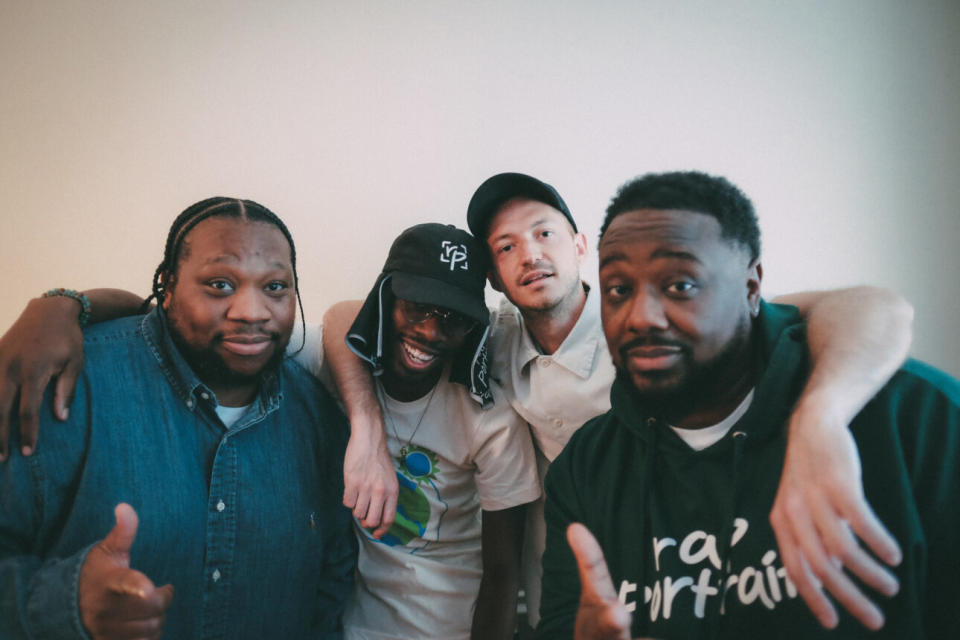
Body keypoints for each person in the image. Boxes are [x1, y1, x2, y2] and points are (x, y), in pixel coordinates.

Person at [537, 171, 960, 639]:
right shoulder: (584, 468)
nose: (640, 316)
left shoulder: (917, 421)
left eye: (680, 285)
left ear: (752, 287)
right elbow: (561, 624)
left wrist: (818, 420)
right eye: (619, 289)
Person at [0, 197, 356, 638]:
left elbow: (329, 591)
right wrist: (63, 603)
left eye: (275, 287)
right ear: (167, 286)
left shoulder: (318, 418)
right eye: (220, 284)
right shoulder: (67, 382)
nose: (252, 311)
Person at [332, 222, 541, 639]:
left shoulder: (490, 420)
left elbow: (503, 572)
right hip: (351, 625)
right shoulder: (344, 373)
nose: (430, 331)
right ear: (385, 297)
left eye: (453, 318)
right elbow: (335, 318)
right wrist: (366, 427)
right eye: (417, 306)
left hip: (454, 627)